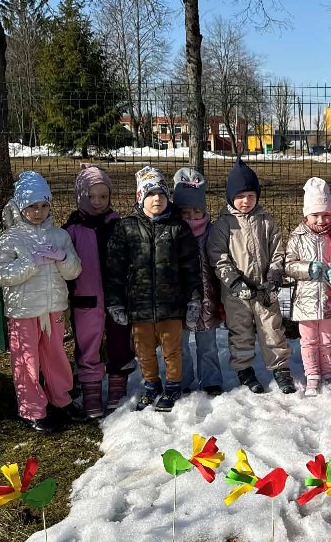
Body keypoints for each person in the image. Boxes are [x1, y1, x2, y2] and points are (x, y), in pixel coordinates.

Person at [104, 166, 202, 412]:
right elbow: (115, 269)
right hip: (139, 305)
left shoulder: (178, 228)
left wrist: (194, 300)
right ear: (140, 197)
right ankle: (151, 385)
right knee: (144, 350)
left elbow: (191, 268)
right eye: (150, 194)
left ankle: (173, 386)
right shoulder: (126, 227)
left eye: (161, 194)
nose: (157, 199)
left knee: (172, 349)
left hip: (172, 304)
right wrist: (115, 301)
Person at [0, 171, 82, 432]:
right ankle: (32, 409)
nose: (38, 212)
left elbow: (74, 271)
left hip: (53, 308)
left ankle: (61, 399)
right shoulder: (10, 238)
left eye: (44, 205)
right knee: (26, 360)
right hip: (24, 311)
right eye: (32, 206)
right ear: (20, 207)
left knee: (56, 356)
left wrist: (62, 257)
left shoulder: (60, 236)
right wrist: (31, 262)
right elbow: (1, 274)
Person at [207, 160, 294, 394]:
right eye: (240, 196)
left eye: (251, 196)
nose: (246, 201)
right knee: (241, 332)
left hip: (265, 289)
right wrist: (234, 282)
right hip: (236, 294)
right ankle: (244, 369)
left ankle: (281, 368)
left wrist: (274, 275)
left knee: (273, 329)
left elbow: (277, 250)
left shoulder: (266, 221)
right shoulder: (223, 225)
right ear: (230, 197)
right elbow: (218, 257)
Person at [63, 164, 135, 418]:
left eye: (103, 196)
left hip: (117, 299)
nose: (97, 202)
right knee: (87, 343)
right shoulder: (72, 230)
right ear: (80, 196)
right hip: (85, 299)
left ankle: (117, 388)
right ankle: (91, 390)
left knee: (119, 341)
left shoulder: (119, 225)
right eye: (91, 196)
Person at [285, 177, 331, 396]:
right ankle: (312, 375)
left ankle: (328, 374)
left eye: (326, 215)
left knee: (328, 338)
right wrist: (307, 268)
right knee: (309, 340)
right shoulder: (297, 237)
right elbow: (289, 265)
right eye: (315, 215)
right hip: (306, 300)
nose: (321, 220)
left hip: (330, 298)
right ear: (306, 215)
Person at [173, 168, 224, 395]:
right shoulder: (172, 232)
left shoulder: (212, 232)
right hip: (179, 300)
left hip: (207, 299)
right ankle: (182, 379)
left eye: (196, 211)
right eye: (185, 212)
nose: (192, 217)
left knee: (208, 343)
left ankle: (211, 380)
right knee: (179, 343)